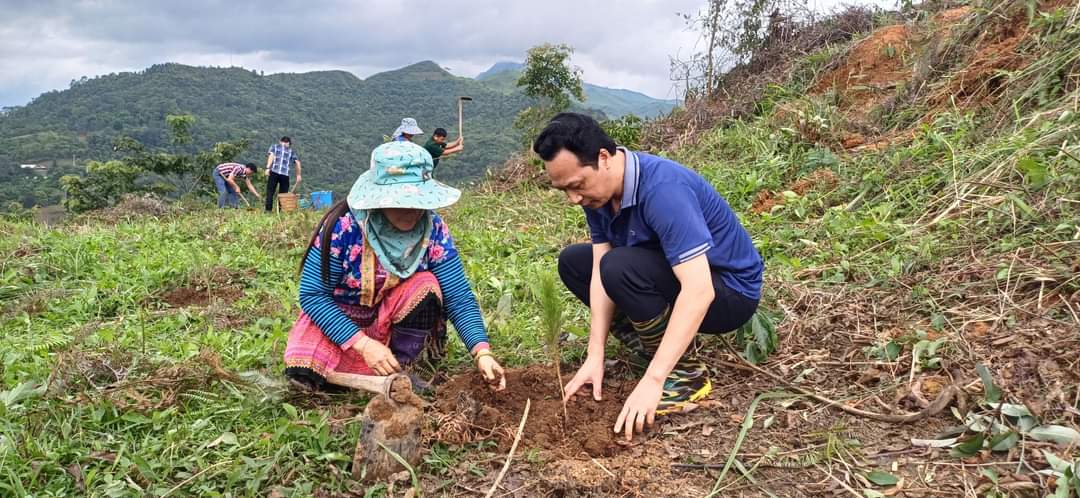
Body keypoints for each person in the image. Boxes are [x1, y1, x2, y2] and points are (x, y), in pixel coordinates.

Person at [535, 112, 764, 441]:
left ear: (604, 157)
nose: (574, 198)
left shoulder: (663, 190)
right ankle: (656, 346)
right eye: (564, 190)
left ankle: (684, 376)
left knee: (619, 266)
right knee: (575, 263)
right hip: (675, 275)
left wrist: (654, 380)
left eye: (577, 186)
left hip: (728, 292)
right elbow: (600, 267)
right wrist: (594, 353)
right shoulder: (597, 194)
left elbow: (699, 291)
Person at [284, 140, 507, 392]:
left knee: (427, 286)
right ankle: (360, 373)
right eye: (400, 201)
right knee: (303, 365)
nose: (411, 210)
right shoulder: (343, 228)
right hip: (341, 322)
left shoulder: (433, 231)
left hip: (389, 321)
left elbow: (458, 297)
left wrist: (482, 352)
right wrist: (364, 345)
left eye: (417, 202)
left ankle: (403, 366)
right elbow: (313, 296)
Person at [265, 136, 301, 212]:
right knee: (283, 194)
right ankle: (281, 210)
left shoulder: (274, 147)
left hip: (274, 172)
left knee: (270, 191)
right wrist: (298, 175)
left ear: (280, 141)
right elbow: (297, 163)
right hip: (284, 175)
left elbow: (271, 156)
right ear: (289, 143)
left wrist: (268, 168)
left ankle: (268, 210)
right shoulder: (291, 151)